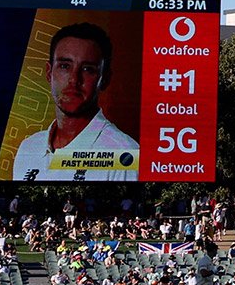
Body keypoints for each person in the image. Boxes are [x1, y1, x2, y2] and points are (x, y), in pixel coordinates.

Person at [12, 22, 142, 181]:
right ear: (48, 73)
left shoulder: (125, 154)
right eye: (65, 66)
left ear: (105, 79)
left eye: (88, 69)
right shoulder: (29, 147)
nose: (74, 79)